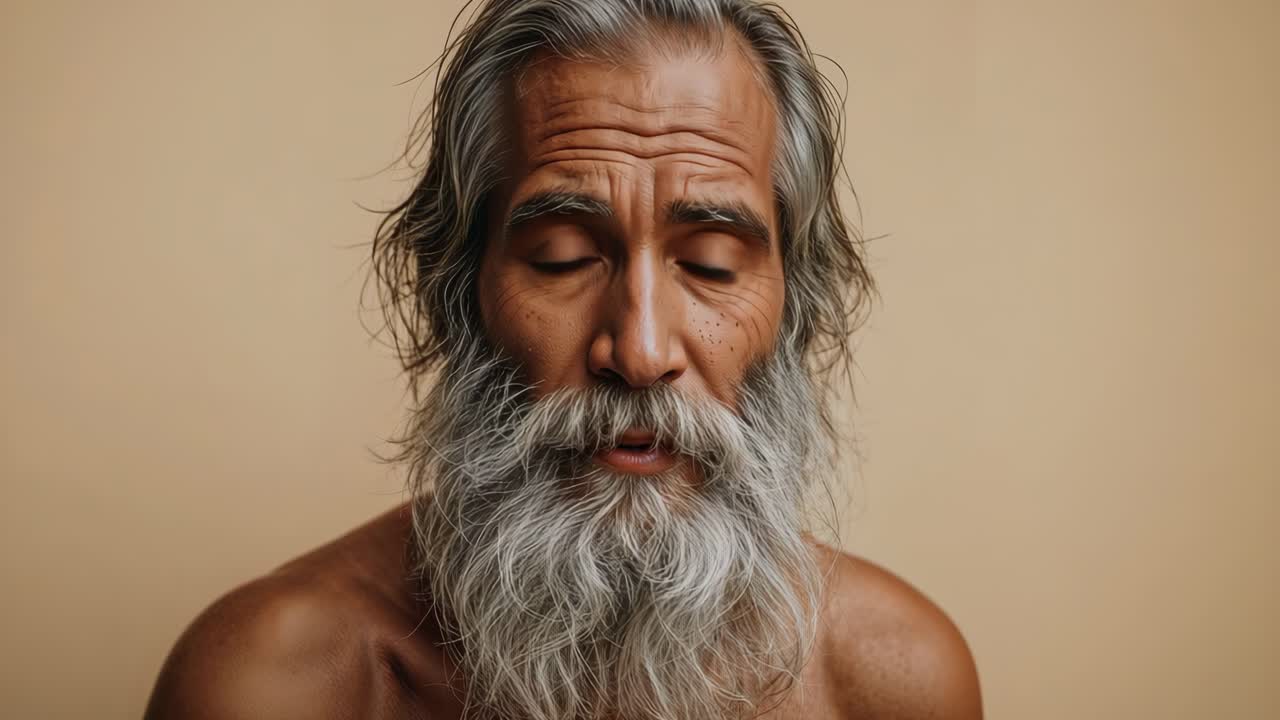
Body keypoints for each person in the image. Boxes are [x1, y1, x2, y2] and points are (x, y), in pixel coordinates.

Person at [145, 1, 981, 718]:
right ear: (457, 285)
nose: (641, 351)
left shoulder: (889, 682)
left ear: (793, 300)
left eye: (713, 265)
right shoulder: (276, 683)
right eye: (561, 256)